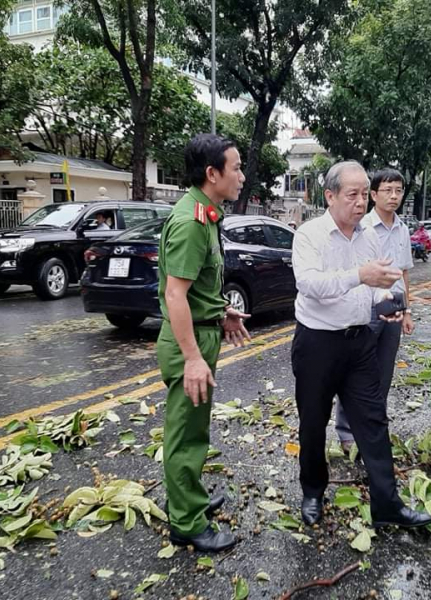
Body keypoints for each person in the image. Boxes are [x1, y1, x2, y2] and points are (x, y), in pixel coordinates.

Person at [291, 160, 431, 530]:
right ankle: (312, 492)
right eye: (350, 195)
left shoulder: (368, 236)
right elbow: (311, 285)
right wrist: (360, 276)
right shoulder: (309, 235)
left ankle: (388, 504)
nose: (358, 203)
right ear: (330, 195)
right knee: (313, 422)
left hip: (360, 343)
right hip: (317, 344)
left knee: (373, 422)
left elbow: (386, 281)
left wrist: (392, 304)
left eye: (361, 195)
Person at [157, 133, 251, 553]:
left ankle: (189, 499)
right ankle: (186, 523)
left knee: (195, 428)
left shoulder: (206, 214)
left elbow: (195, 290)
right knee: (186, 435)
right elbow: (174, 294)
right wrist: (193, 358)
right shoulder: (192, 221)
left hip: (201, 330)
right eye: (236, 168)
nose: (242, 177)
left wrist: (221, 312)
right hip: (188, 343)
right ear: (212, 174)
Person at [334, 167, 415, 454]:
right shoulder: (362, 226)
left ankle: (373, 427)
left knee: (383, 372)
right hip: (366, 308)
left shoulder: (403, 229)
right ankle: (346, 432)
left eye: (399, 191)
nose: (394, 196)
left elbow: (404, 273)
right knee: (356, 372)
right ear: (374, 194)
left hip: (393, 307)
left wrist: (406, 311)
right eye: (388, 191)